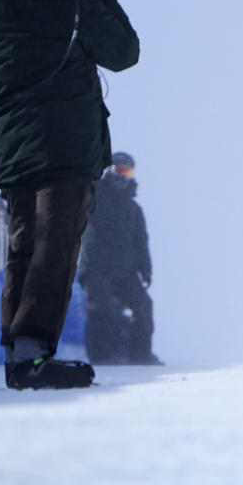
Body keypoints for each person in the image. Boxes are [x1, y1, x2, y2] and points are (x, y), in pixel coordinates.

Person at [0, 0, 140, 389]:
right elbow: (123, 52)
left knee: (23, 246)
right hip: (62, 143)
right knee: (54, 247)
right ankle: (34, 354)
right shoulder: (66, 5)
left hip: (12, 149)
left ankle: (19, 357)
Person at [78, 152, 161, 365]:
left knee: (143, 306)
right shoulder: (94, 198)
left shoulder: (133, 209)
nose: (122, 175)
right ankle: (102, 354)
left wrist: (146, 269)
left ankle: (140, 354)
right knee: (102, 309)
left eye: (127, 171)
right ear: (109, 171)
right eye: (118, 170)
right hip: (98, 269)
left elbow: (141, 241)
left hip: (126, 271)